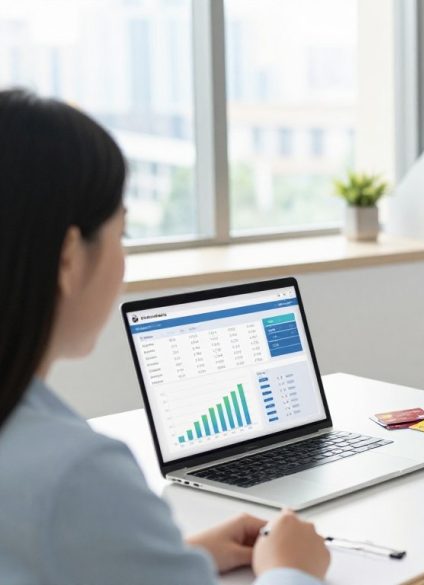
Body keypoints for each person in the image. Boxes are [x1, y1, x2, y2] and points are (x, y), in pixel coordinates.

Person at [0, 89, 330, 584]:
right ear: (69, 258)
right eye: (122, 234)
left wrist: (168, 557)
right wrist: (291, 570)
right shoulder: (77, 474)